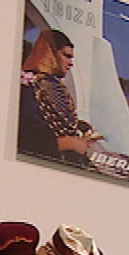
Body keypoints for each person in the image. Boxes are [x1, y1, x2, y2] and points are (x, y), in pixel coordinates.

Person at [18, 29, 101, 167]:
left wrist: (79, 126)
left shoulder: (56, 87)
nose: (71, 63)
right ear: (50, 53)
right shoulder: (29, 87)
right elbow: (25, 133)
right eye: (66, 56)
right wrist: (67, 143)